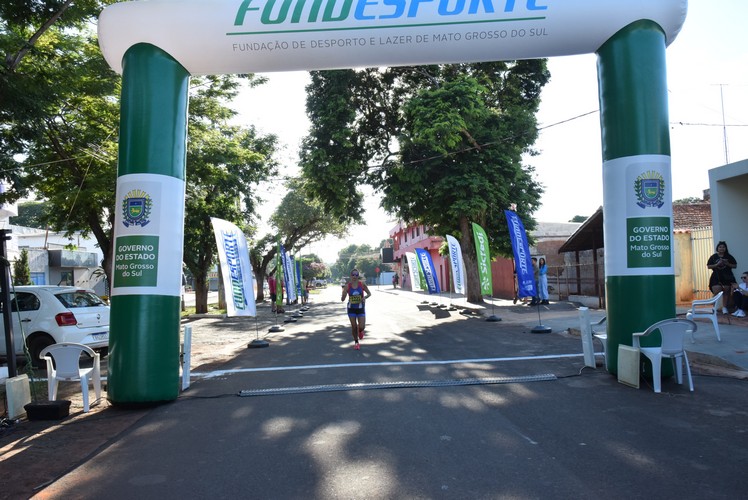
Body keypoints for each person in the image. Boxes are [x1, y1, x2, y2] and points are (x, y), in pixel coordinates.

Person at [341, 268, 371, 350]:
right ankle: (356, 342)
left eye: (356, 275)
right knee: (353, 326)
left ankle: (360, 331)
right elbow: (342, 299)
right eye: (353, 274)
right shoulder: (348, 286)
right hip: (351, 308)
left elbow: (369, 294)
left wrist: (364, 297)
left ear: (358, 276)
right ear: (351, 276)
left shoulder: (362, 284)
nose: (355, 276)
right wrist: (343, 293)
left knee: (361, 326)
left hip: (360, 308)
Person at [707, 241, 738, 314]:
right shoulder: (714, 257)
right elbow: (709, 266)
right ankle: (714, 308)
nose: (721, 248)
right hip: (716, 276)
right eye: (720, 247)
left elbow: (735, 265)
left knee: (726, 291)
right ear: (717, 248)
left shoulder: (729, 256)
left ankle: (724, 307)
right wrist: (717, 264)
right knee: (716, 291)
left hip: (727, 276)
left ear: (725, 248)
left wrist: (727, 263)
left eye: (723, 247)